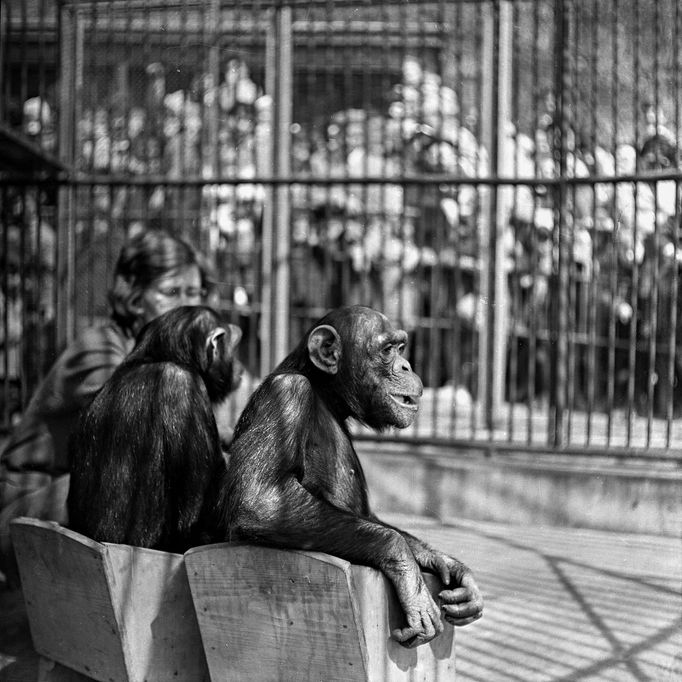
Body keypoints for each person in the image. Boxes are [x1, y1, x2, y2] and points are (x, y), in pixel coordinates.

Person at [0, 228, 216, 583]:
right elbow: (136, 424)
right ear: (134, 298)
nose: (188, 306)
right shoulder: (99, 347)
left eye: (194, 293)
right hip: (24, 512)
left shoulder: (166, 361)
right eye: (171, 292)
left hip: (80, 506)